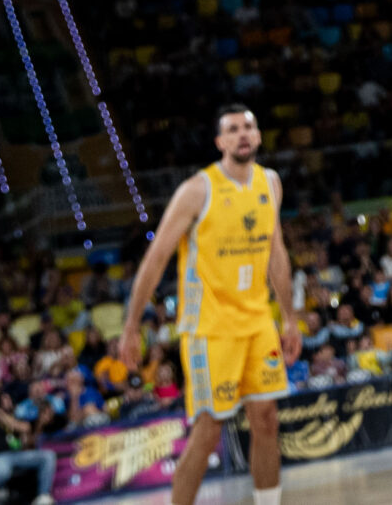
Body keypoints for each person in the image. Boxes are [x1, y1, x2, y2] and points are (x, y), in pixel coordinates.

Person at [117, 105, 301, 505]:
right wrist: (132, 326)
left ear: (259, 136)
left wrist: (289, 317)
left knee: (266, 420)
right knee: (208, 431)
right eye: (233, 129)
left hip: (257, 322)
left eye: (249, 127)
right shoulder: (197, 190)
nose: (242, 135)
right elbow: (156, 259)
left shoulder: (270, 183)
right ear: (220, 142)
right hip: (210, 329)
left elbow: (276, 251)